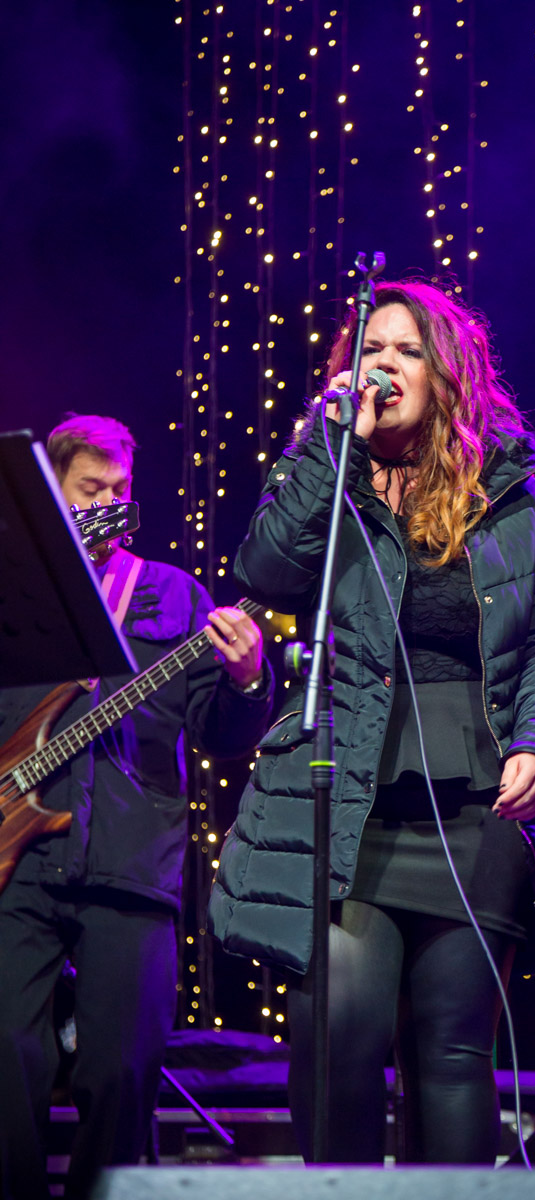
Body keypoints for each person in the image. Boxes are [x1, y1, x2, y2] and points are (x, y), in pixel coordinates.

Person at [209, 280, 535, 1164]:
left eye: (406, 350)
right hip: (350, 796)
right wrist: (326, 446)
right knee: (337, 1046)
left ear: (447, 373)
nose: (382, 366)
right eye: (368, 350)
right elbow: (265, 571)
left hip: (479, 805)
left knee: (454, 1060)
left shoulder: (515, 494)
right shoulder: (324, 474)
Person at [0, 414, 274, 1199]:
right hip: (18, 863)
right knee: (6, 1063)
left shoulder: (174, 594)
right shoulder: (14, 589)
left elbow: (221, 735)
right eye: (91, 490)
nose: (109, 504)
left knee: (122, 1073)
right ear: (52, 495)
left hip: (132, 861)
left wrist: (248, 680)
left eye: (120, 490)